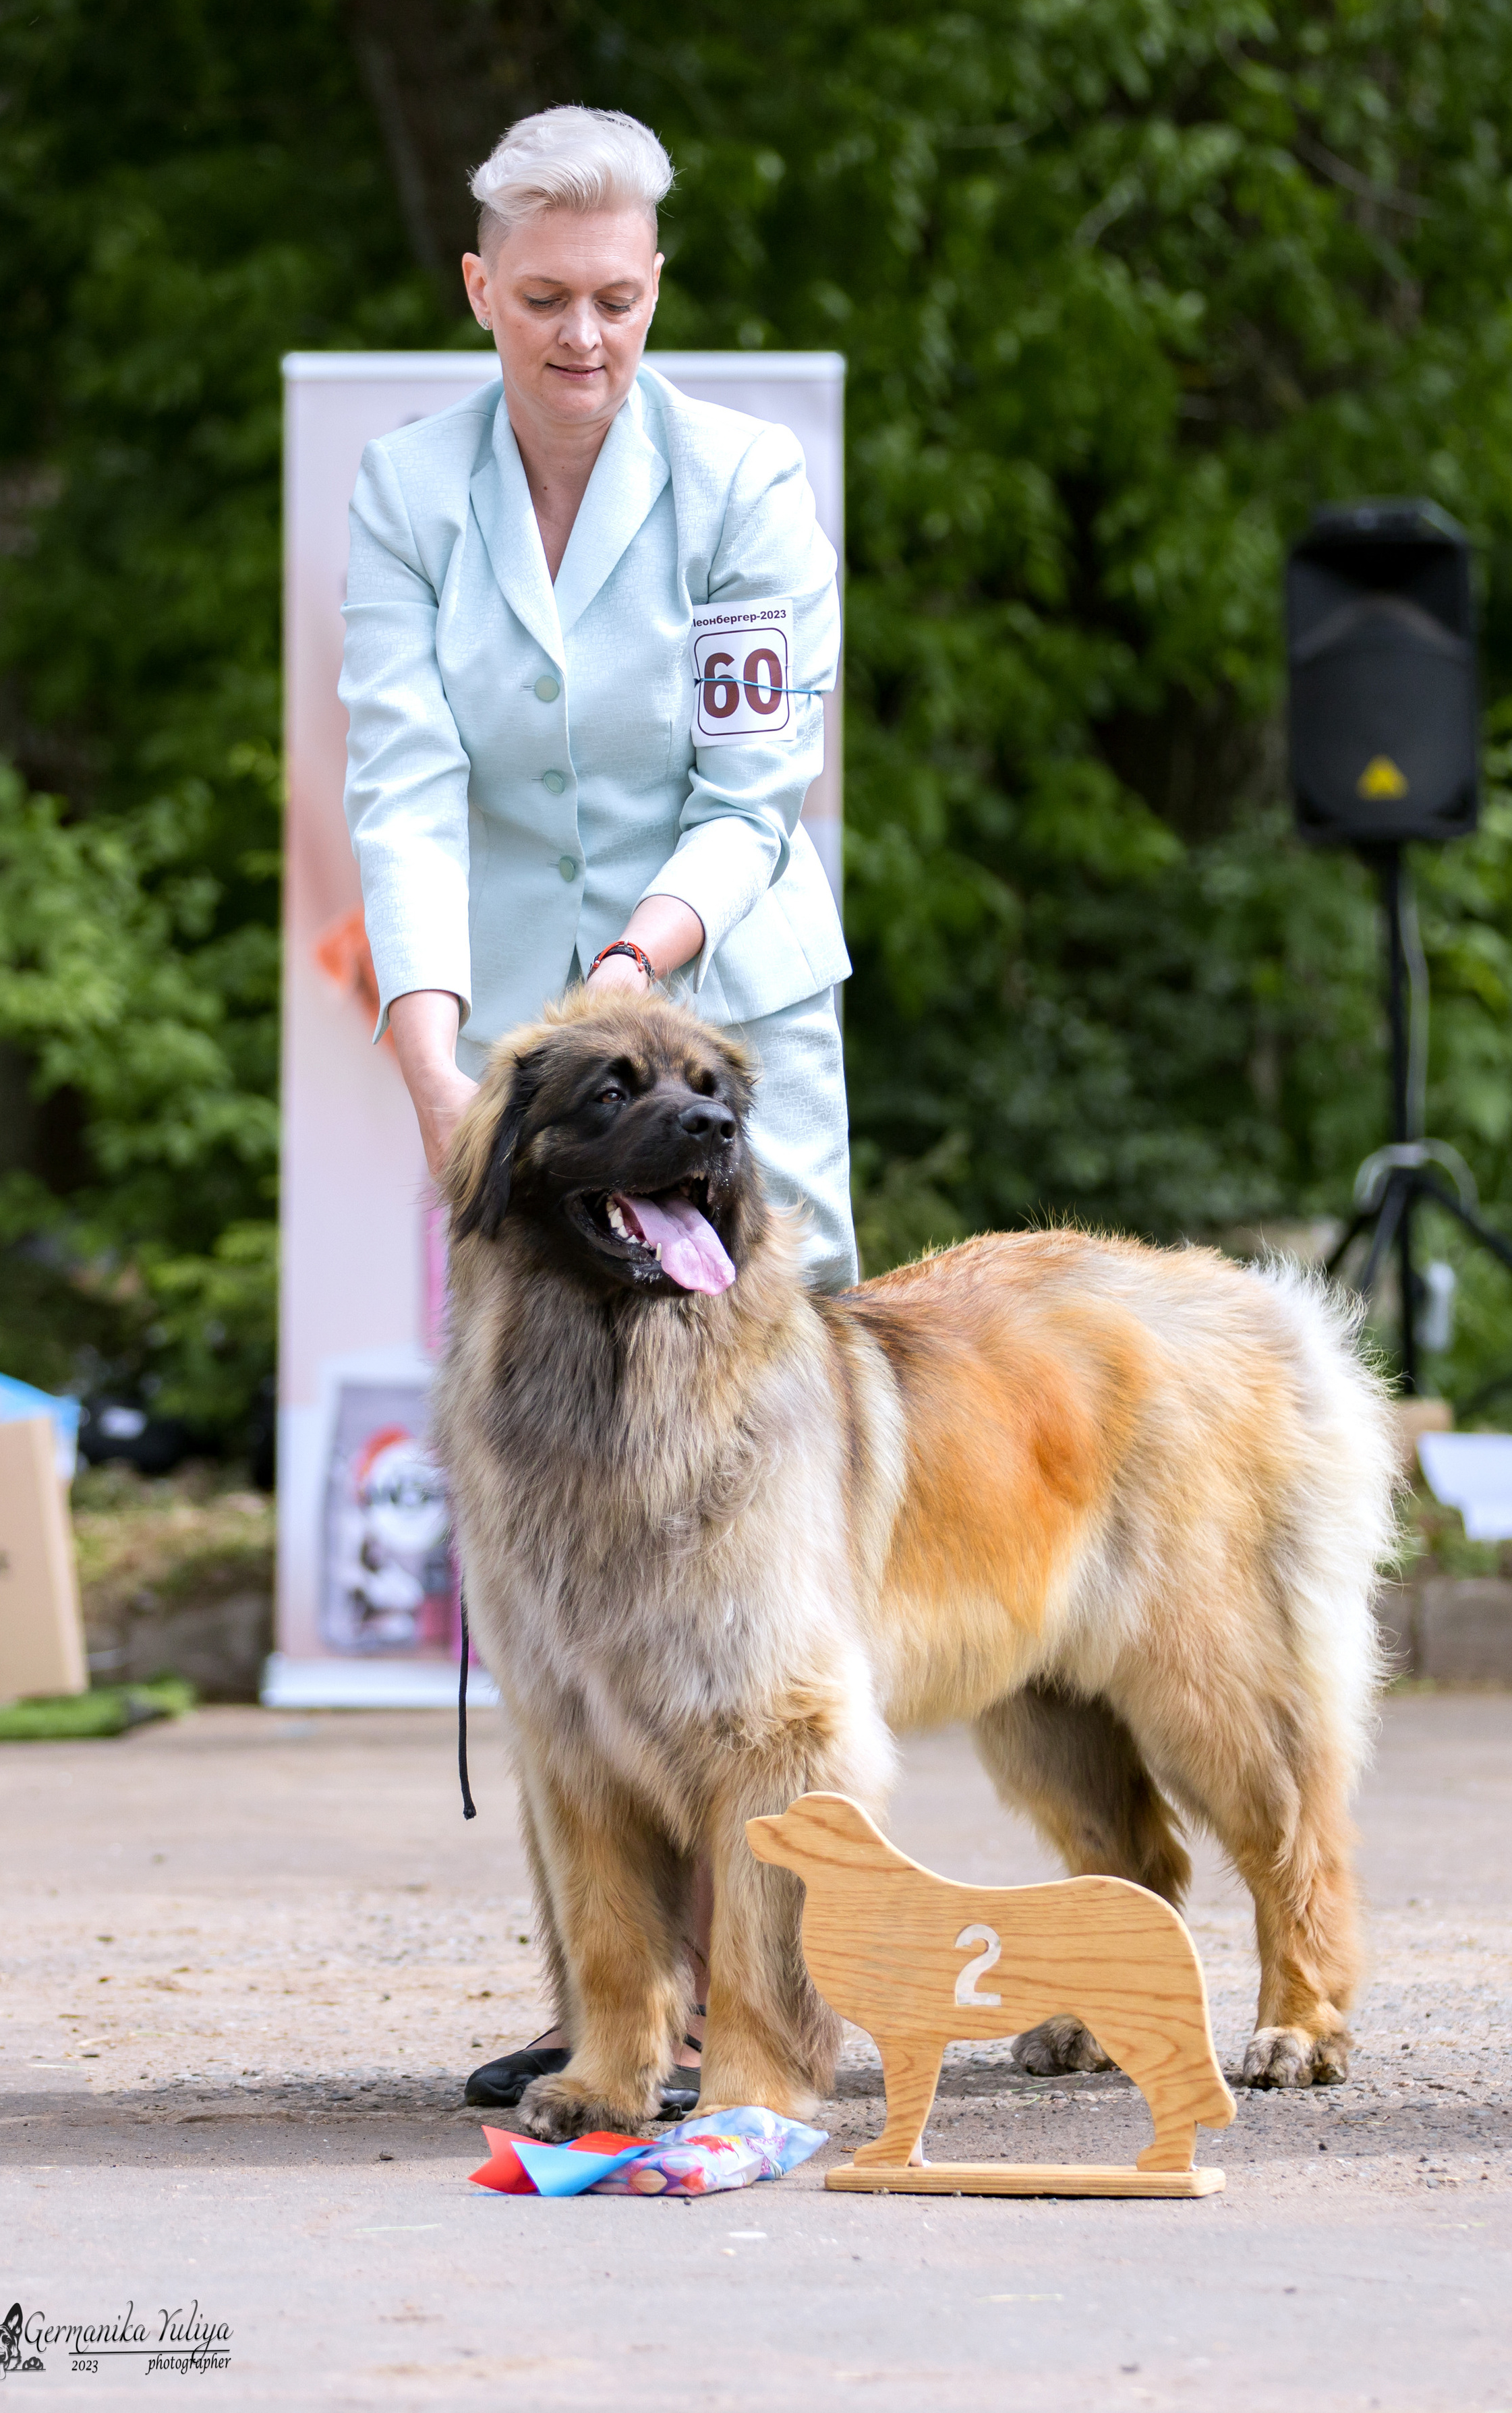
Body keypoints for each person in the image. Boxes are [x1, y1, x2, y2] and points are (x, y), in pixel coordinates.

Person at [336, 103, 857, 2112]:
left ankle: (774, 2008)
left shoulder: (747, 482)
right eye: (543, 299)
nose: (582, 337)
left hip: (719, 1030)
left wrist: (641, 978)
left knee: (758, 1547)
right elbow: (402, 781)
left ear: (659, 285)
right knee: (549, 1540)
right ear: (480, 288)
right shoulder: (407, 489)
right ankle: (606, 2012)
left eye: (617, 300)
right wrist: (433, 1054)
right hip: (532, 1081)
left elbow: (754, 803)